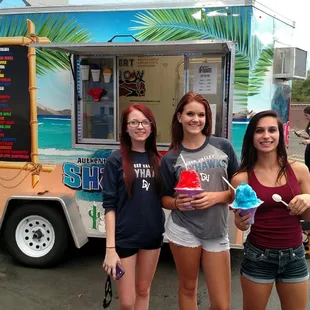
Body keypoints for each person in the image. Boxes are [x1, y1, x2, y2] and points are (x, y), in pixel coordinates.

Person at [160, 92, 239, 310]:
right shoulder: (171, 157)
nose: (196, 119)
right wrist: (176, 203)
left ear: (207, 118)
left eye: (201, 115)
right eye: (190, 114)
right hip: (183, 230)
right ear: (179, 117)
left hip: (216, 230)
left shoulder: (223, 147)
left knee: (222, 304)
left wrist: (217, 197)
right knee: (188, 288)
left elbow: (240, 189)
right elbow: (163, 198)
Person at [232, 110, 310, 310]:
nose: (266, 135)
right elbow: (240, 224)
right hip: (258, 256)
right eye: (259, 131)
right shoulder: (241, 178)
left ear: (280, 134)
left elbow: (308, 216)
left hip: (295, 255)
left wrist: (308, 199)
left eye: (271, 130)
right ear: (252, 137)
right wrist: (240, 222)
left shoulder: (299, 170)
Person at [102, 104, 165, 310]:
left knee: (144, 290)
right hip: (124, 238)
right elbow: (109, 206)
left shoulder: (158, 159)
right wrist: (110, 249)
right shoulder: (115, 160)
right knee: (127, 302)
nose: (140, 126)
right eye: (134, 122)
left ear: (152, 127)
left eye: (145, 122)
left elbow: (166, 197)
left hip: (152, 236)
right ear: (126, 128)